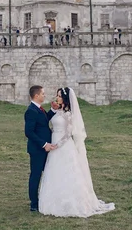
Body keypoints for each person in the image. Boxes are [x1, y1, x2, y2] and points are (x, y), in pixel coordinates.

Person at [38, 87, 115, 217]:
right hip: (54, 143)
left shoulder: (68, 113)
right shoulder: (58, 110)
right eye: (57, 95)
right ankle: (56, 199)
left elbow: (68, 133)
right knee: (55, 172)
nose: (57, 98)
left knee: (68, 172)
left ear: (66, 98)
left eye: (60, 96)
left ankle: (73, 201)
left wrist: (58, 145)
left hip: (63, 145)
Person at [24, 86, 58, 212]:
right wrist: (44, 144)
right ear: (36, 95)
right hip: (38, 149)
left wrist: (52, 111)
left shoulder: (39, 109)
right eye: (43, 93)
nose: (45, 95)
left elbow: (42, 123)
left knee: (47, 173)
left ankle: (46, 198)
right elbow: (29, 132)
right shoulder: (31, 111)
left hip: (45, 148)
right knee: (36, 175)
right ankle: (34, 203)